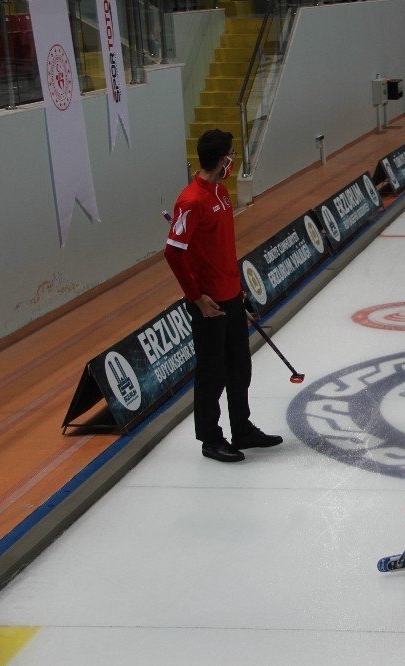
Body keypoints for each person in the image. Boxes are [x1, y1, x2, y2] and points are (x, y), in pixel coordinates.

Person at [164, 129, 282, 463]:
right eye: (230, 154)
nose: (233, 159)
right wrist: (197, 297)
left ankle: (242, 429)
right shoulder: (191, 201)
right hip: (209, 305)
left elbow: (220, 249)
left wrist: (238, 293)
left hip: (229, 296)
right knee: (212, 373)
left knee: (239, 368)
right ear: (221, 160)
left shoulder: (220, 191)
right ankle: (210, 438)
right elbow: (174, 252)